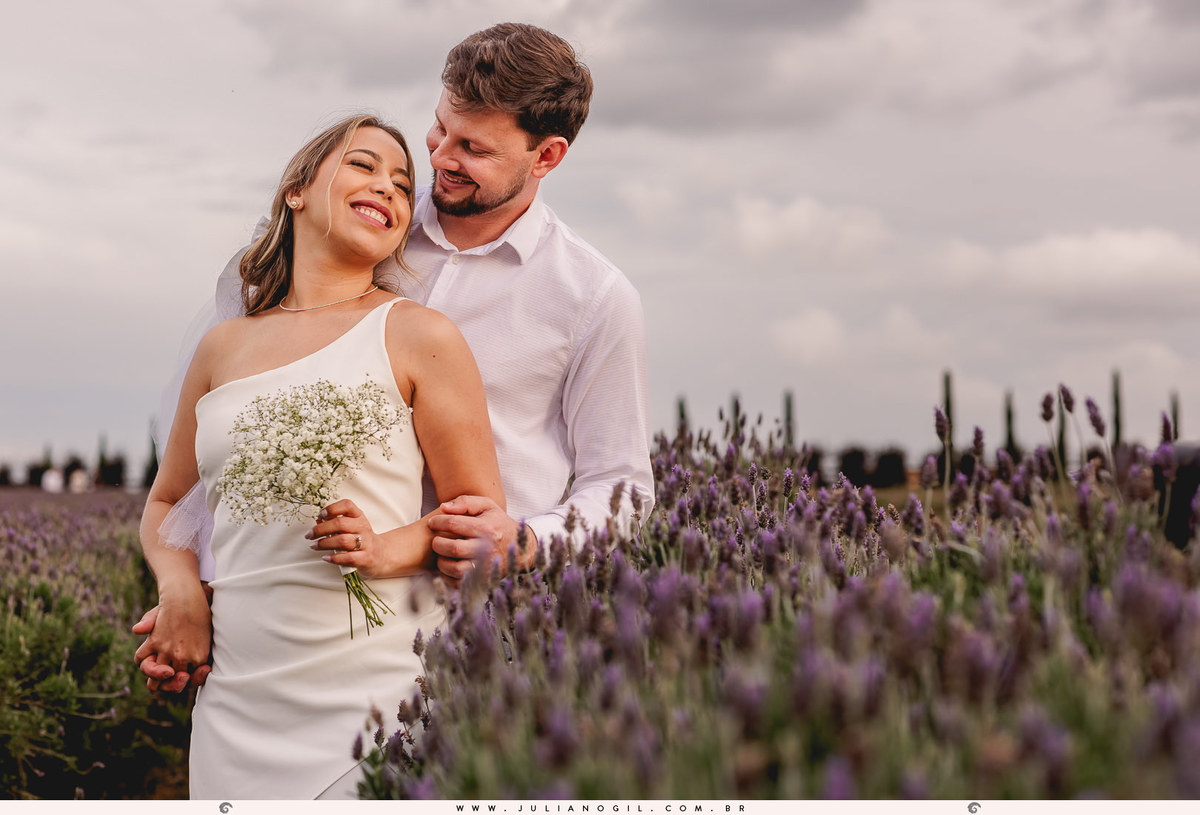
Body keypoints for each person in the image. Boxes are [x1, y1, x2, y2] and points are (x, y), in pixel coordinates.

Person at [138, 22, 654, 688]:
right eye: (440, 128)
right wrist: (198, 596)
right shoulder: (361, 226)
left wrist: (524, 539)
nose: (440, 157)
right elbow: (232, 446)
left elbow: (623, 489)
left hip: (480, 631)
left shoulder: (592, 297)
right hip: (294, 624)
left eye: (473, 147)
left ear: (546, 156)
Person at [138, 114, 505, 800]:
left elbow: (479, 521)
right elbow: (166, 502)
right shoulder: (224, 347)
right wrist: (180, 591)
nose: (389, 189)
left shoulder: (419, 335)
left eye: (403, 182)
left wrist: (381, 547)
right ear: (298, 190)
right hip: (237, 701)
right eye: (365, 166)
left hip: (377, 699)